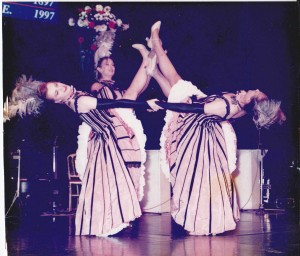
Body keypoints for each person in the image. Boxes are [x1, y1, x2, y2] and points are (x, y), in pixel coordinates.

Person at [141, 21, 286, 236]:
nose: (251, 89)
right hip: (199, 115)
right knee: (176, 86)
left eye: (253, 93)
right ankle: (154, 71)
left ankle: (156, 40)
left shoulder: (228, 106)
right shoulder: (240, 105)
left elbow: (192, 108)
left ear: (251, 103)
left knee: (176, 80)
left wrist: (160, 105)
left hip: (193, 116)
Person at [4, 48, 157, 237]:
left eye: (59, 85)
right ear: (59, 100)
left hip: (109, 133)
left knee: (132, 94)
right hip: (110, 137)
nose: (62, 87)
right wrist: (146, 105)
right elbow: (110, 105)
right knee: (131, 96)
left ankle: (150, 58)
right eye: (58, 91)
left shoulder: (76, 95)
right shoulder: (81, 100)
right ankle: (150, 55)